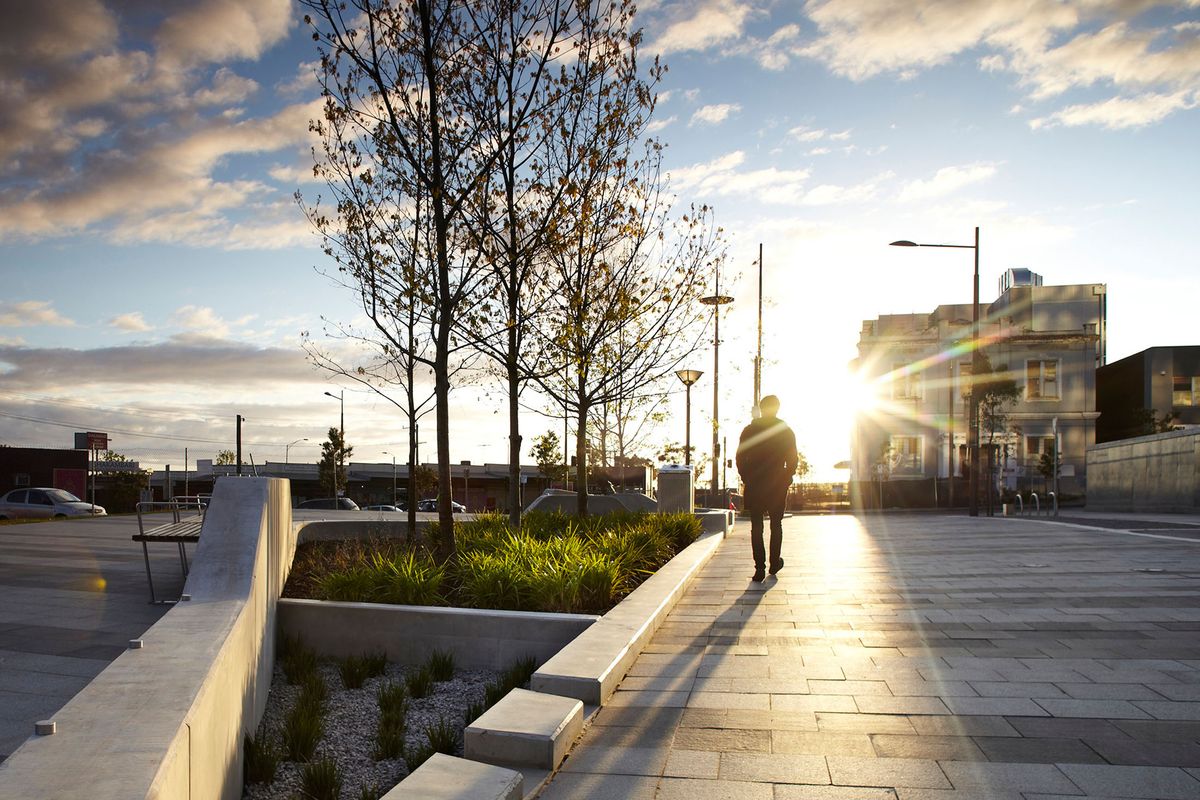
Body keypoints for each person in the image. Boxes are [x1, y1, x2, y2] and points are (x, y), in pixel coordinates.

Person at [736, 394, 798, 582]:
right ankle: (773, 562)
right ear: (777, 408)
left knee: (757, 526)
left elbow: (740, 457)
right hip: (777, 483)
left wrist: (747, 476)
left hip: (755, 484)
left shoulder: (749, 430)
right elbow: (792, 458)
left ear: (762, 408)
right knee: (776, 524)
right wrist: (787, 477)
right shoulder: (785, 430)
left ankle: (760, 568)